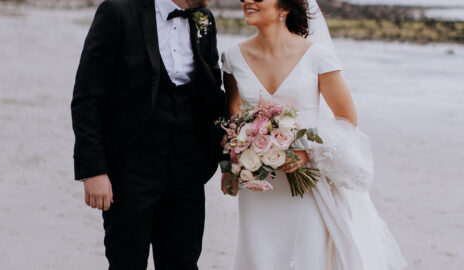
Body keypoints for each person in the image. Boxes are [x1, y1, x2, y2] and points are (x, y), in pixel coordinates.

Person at [220, 0, 408, 269]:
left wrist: (306, 152)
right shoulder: (232, 58)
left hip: (306, 182)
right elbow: (235, 115)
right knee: (260, 255)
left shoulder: (317, 56)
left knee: (306, 255)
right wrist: (235, 162)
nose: (247, 1)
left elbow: (346, 118)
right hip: (258, 182)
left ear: (283, 8)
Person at [70, 0, 226, 268]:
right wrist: (93, 170)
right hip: (130, 167)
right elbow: (88, 96)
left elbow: (211, 91)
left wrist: (228, 157)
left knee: (184, 262)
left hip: (187, 168)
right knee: (126, 262)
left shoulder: (205, 20)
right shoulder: (118, 12)